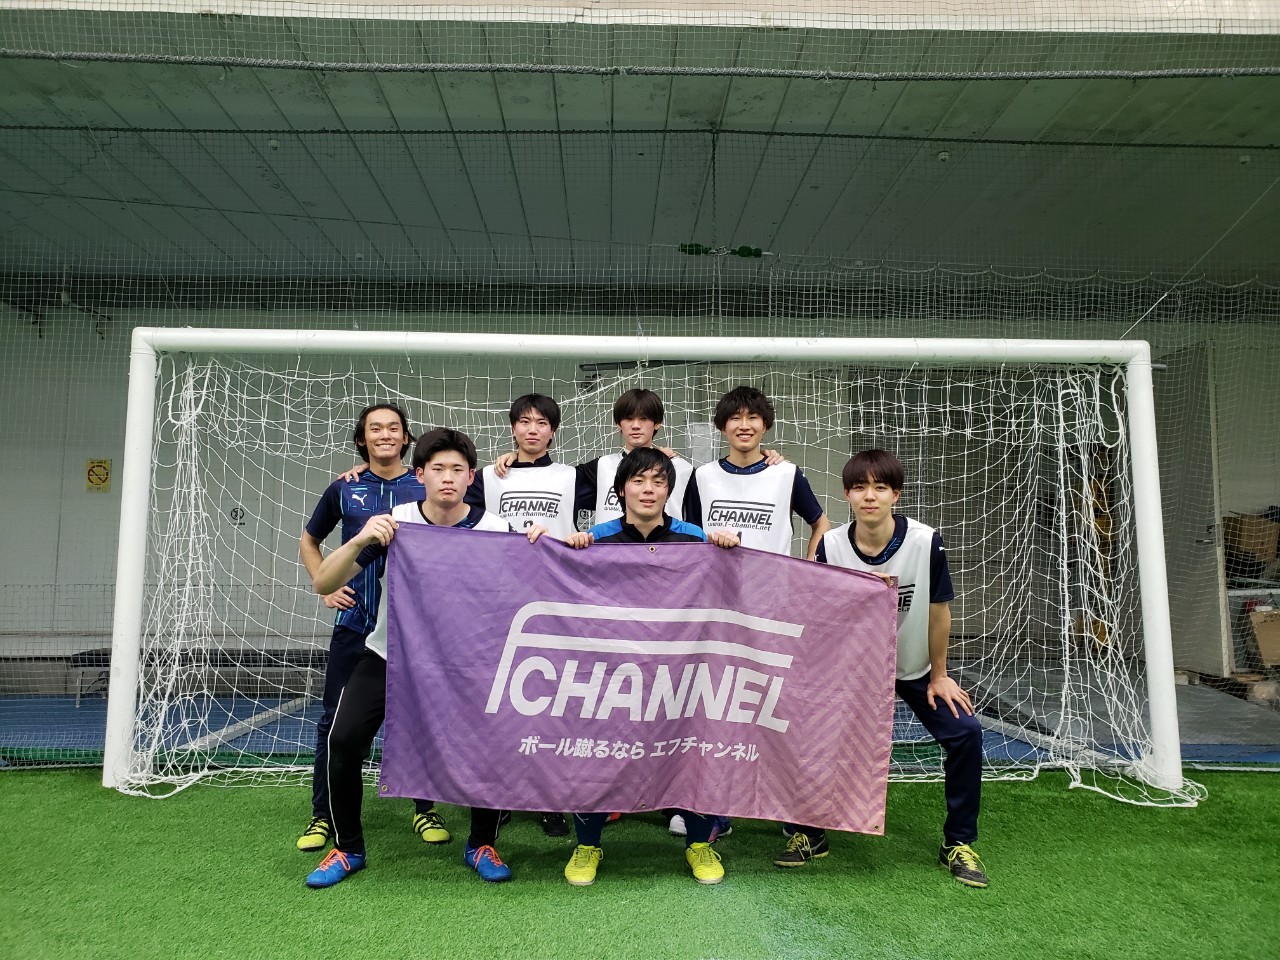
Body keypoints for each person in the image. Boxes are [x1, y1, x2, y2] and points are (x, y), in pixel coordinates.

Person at [304, 428, 547, 888]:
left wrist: (540, 541)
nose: (448, 478)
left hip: (466, 662)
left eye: (458, 469)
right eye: (438, 469)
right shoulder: (396, 524)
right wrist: (358, 541)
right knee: (343, 738)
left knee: (490, 744)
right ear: (420, 475)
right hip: (392, 655)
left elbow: (539, 581)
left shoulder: (496, 530)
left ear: (471, 476)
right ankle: (347, 848)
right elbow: (323, 583)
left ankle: (481, 842)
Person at [777, 449, 988, 889]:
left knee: (966, 732)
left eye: (880, 487)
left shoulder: (925, 542)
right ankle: (810, 832)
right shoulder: (832, 546)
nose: (869, 496)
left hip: (913, 668)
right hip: (852, 671)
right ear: (847, 495)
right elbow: (822, 615)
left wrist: (939, 675)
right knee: (801, 728)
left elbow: (939, 611)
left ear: (896, 494)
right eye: (859, 487)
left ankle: (958, 842)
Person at [562, 447, 740, 886]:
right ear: (621, 490)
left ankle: (699, 844)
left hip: (679, 673)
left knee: (691, 752)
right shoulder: (597, 538)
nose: (648, 490)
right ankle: (587, 845)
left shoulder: (696, 539)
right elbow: (561, 584)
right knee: (598, 754)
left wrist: (726, 548)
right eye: (638, 481)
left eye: (658, 482)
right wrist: (568, 549)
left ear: (668, 491)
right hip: (612, 674)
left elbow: (731, 591)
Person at [296, 403, 445, 853]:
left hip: (412, 628)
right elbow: (309, 540)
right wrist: (324, 588)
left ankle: (425, 808)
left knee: (419, 718)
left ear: (406, 438)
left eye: (393, 428)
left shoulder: (423, 483)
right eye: (375, 429)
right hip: (356, 622)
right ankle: (323, 816)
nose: (385, 435)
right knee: (334, 722)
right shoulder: (345, 487)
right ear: (362, 439)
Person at [466, 393, 596, 837]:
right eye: (524, 421)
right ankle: (500, 796)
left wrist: (664, 452)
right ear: (513, 428)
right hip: (501, 601)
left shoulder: (573, 476)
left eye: (542, 422)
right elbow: (450, 505)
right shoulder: (488, 477)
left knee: (550, 700)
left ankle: (549, 798)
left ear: (553, 431)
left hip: (554, 602)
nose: (532, 429)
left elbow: (628, 474)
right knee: (501, 700)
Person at [684, 385, 829, 561]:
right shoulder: (702, 476)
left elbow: (821, 525)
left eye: (752, 417)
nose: (744, 426)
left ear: (764, 426)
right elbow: (691, 538)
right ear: (723, 427)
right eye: (735, 418)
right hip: (717, 578)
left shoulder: (787, 474)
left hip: (772, 579)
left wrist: (811, 569)